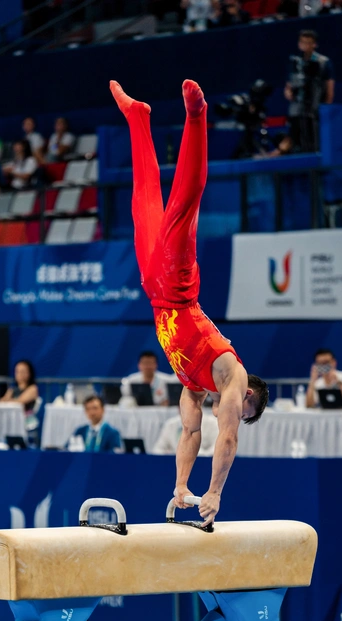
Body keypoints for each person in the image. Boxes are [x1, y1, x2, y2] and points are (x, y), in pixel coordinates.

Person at [110, 79, 268, 525]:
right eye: (244, 409)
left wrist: (182, 486)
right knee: (184, 202)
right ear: (249, 394)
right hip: (178, 288)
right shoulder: (233, 375)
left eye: (240, 412)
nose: (235, 411)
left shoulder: (195, 386)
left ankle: (137, 116)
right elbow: (228, 441)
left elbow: (191, 433)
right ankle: (196, 116)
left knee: (144, 197)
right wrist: (214, 493)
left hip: (153, 290)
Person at [284, 30, 335, 153]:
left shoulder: (323, 62)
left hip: (314, 110)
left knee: (314, 143)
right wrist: (288, 93)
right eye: (303, 42)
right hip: (296, 110)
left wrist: (325, 110)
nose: (305, 45)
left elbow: (330, 89)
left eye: (309, 43)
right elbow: (289, 85)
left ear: (314, 45)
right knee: (294, 141)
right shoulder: (294, 61)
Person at [153, 406, 218, 456]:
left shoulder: (212, 423)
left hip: (203, 464)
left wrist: (198, 454)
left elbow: (217, 449)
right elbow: (157, 450)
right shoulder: (170, 425)